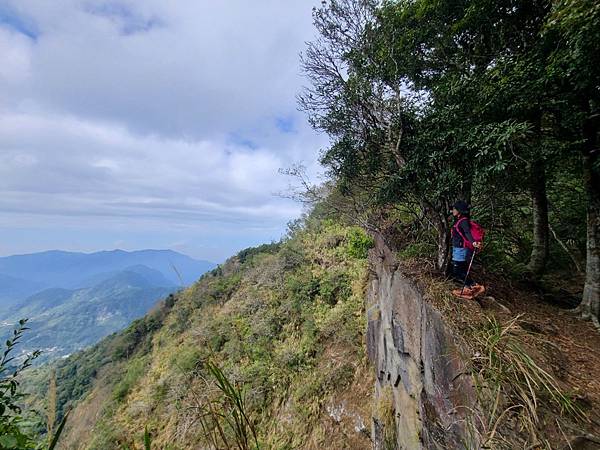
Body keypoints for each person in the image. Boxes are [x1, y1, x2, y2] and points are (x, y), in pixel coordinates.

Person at [450, 201, 485, 299]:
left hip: (460, 249)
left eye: (455, 209)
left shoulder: (463, 221)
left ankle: (475, 286)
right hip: (459, 248)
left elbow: (467, 233)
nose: (453, 210)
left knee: (457, 270)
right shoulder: (459, 219)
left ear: (459, 211)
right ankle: (468, 289)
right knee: (463, 269)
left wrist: (473, 242)